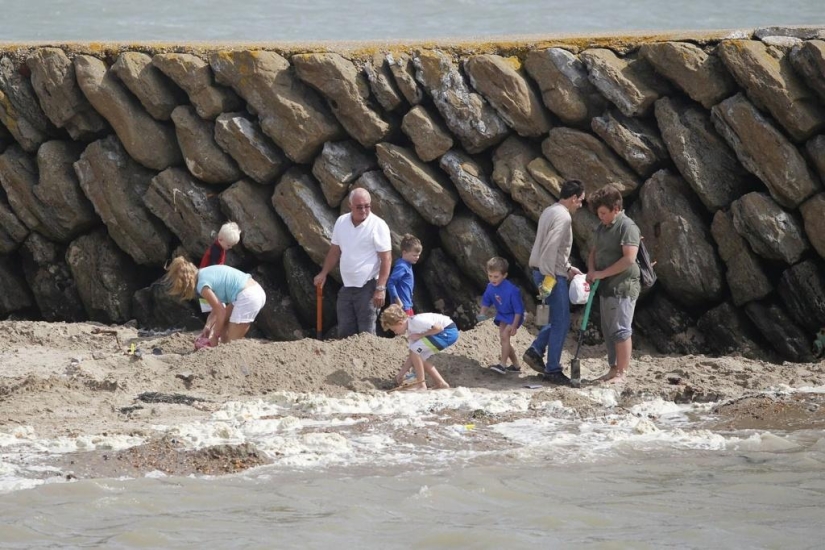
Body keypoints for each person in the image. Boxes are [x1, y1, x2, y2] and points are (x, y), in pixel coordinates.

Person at [522, 180, 586, 385]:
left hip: (542, 271)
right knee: (562, 321)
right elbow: (550, 248)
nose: (581, 205)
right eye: (581, 201)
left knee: (557, 318)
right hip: (549, 274)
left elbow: (550, 248)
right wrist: (551, 277)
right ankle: (552, 369)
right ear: (573, 198)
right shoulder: (564, 216)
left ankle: (535, 351)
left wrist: (567, 268)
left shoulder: (550, 210)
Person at [314, 188, 392, 338]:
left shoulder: (378, 225)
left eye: (367, 206)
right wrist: (323, 273)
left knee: (366, 333)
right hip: (347, 285)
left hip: (369, 286)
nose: (364, 210)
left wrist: (381, 288)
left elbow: (386, 259)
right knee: (345, 332)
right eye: (359, 207)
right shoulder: (341, 222)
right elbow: (335, 251)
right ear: (350, 205)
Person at [585, 184, 641, 384]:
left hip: (623, 286)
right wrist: (592, 271)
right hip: (606, 287)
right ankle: (613, 368)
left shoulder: (628, 227)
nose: (600, 217)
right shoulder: (602, 227)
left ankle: (622, 373)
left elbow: (629, 259)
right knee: (609, 330)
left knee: (621, 329)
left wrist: (601, 273)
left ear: (616, 209)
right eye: (598, 213)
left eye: (603, 213)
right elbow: (594, 251)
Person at [164, 256, 266, 347]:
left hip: (247, 296)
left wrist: (215, 335)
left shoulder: (202, 285)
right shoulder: (205, 272)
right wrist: (208, 327)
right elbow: (217, 308)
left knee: (232, 343)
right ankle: (221, 347)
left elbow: (220, 311)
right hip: (254, 290)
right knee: (223, 326)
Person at [381, 304, 456, 390]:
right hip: (443, 334)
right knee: (419, 358)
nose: (395, 333)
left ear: (400, 323)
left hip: (448, 332)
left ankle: (421, 384)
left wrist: (420, 335)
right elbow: (412, 356)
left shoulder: (416, 321)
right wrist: (401, 374)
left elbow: (439, 328)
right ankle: (441, 383)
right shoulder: (410, 330)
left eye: (394, 330)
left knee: (415, 352)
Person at [478, 257, 525, 374]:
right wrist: (482, 313)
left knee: (504, 337)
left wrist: (514, 325)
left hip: (514, 316)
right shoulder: (490, 287)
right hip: (503, 315)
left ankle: (502, 365)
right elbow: (486, 301)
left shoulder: (512, 290)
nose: (492, 279)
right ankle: (516, 365)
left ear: (504, 275)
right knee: (504, 340)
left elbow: (518, 310)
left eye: (496, 276)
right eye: (490, 276)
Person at [198, 222, 242, 313]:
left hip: (210, 278)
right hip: (208, 279)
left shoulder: (220, 246)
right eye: (229, 245)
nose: (230, 247)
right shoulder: (215, 250)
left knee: (215, 307)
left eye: (231, 245)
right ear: (220, 239)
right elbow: (213, 267)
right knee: (213, 306)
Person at [387, 233, 422, 316]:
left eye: (418, 255)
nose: (417, 257)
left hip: (408, 304)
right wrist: (397, 300)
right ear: (404, 252)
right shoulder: (402, 266)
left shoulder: (407, 264)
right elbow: (390, 283)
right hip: (402, 307)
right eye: (414, 255)